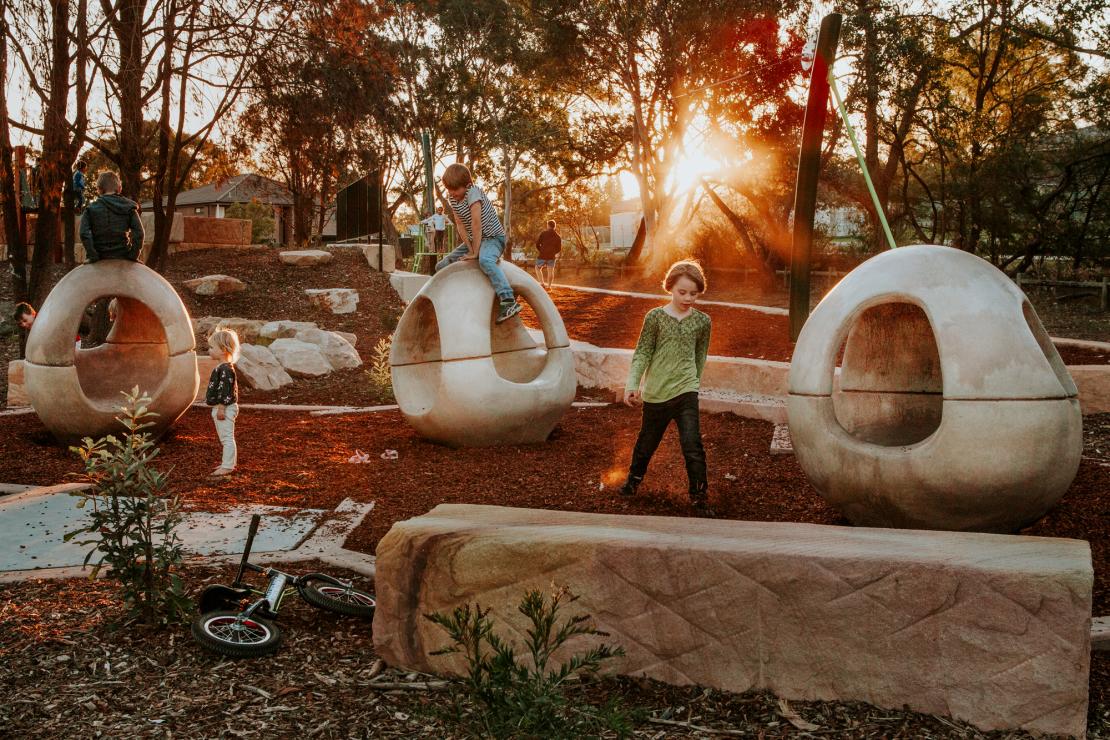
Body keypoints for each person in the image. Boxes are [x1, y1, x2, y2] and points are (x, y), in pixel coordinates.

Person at [619, 260, 713, 514]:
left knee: (693, 445)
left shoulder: (703, 322)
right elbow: (642, 353)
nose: (688, 298)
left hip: (686, 391)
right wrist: (632, 385)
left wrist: (693, 383)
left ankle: (699, 497)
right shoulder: (655, 318)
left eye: (694, 293)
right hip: (656, 394)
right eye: (683, 292)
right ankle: (632, 482)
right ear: (670, 287)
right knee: (646, 444)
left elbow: (699, 357)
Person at [434, 163, 521, 323]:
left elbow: (476, 223)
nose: (452, 193)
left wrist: (475, 252)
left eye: (455, 189)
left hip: (493, 238)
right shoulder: (453, 199)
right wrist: (470, 248)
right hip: (476, 240)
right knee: (442, 265)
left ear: (467, 185)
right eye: (449, 189)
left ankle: (508, 301)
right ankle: (452, 300)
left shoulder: (473, 193)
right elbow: (460, 224)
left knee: (485, 260)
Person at [79, 170, 143, 263]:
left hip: (100, 256)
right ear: (119, 188)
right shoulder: (129, 208)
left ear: (99, 189)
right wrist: (133, 256)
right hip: (123, 255)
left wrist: (93, 256)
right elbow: (139, 233)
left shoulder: (90, 209)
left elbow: (84, 233)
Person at [205, 329, 240, 477]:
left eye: (212, 347)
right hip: (221, 408)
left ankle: (227, 466)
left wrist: (221, 408)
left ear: (223, 350)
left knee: (227, 438)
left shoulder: (226, 369)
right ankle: (228, 463)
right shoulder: (222, 368)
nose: (209, 350)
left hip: (224, 408)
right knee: (224, 438)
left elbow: (226, 391)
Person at [534, 219, 562, 289]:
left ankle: (542, 283)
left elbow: (537, 244)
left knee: (537, 268)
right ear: (554, 226)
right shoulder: (558, 237)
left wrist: (541, 250)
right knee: (550, 271)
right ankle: (549, 286)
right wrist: (553, 252)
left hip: (542, 255)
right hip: (551, 256)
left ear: (548, 225)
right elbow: (559, 249)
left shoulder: (543, 233)